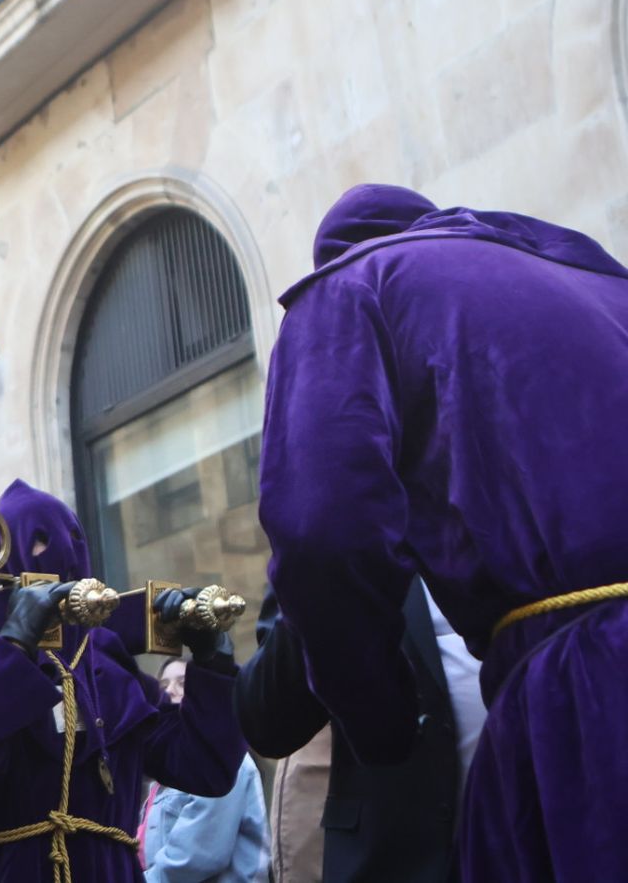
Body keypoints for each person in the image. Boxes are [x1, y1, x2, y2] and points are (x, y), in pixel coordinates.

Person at [257, 184, 628, 880]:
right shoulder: (592, 274)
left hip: (584, 696)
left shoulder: (350, 288)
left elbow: (321, 534)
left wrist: (381, 719)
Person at [0, 480, 246, 883]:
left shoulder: (111, 668)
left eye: (74, 538)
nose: (66, 554)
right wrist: (16, 646)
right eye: (39, 541)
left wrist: (212, 660)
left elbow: (204, 768)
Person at [235, 582, 477, 882]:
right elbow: (270, 721)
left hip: (526, 829)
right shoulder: (326, 544)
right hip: (391, 853)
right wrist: (316, 568)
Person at [139, 657, 268, 882]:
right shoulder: (159, 778)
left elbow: (195, 859)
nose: (170, 691)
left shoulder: (222, 760)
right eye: (163, 685)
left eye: (183, 683)